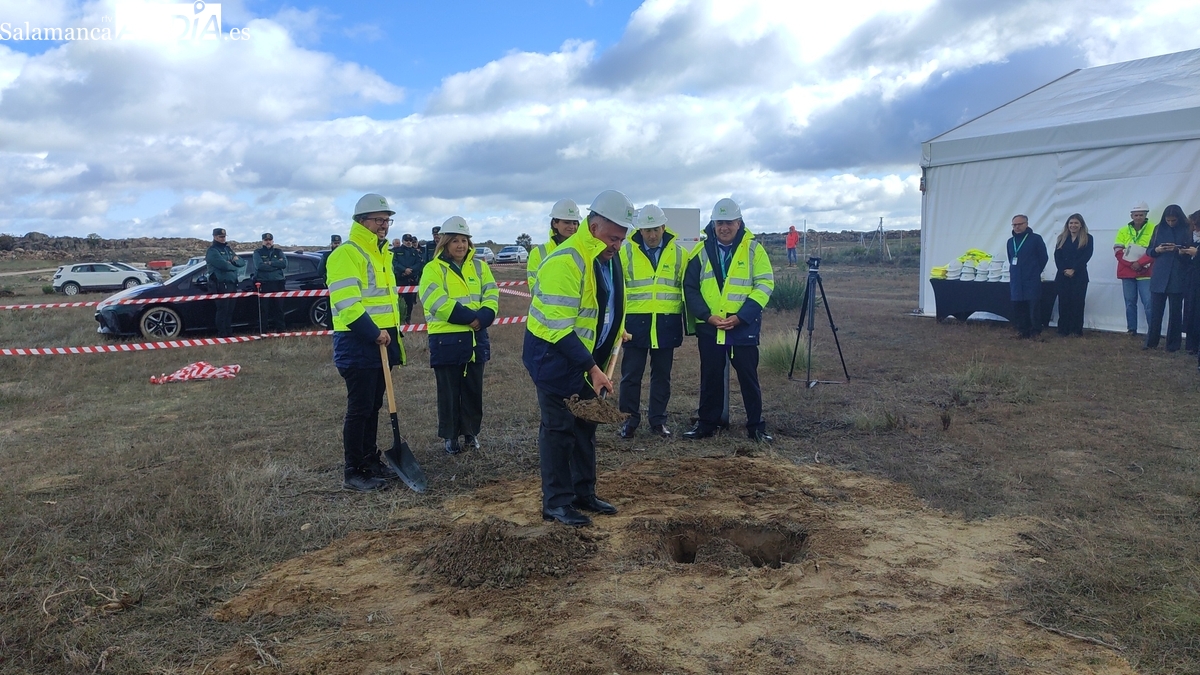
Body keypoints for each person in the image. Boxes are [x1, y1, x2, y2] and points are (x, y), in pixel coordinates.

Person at [523, 189, 632, 527]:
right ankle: (556, 503)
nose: (618, 245)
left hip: (587, 358)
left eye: (622, 239)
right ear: (594, 227)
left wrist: (617, 333)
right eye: (614, 238)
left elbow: (607, 304)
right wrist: (593, 369)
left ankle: (583, 493)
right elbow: (558, 328)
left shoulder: (608, 256)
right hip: (554, 357)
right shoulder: (565, 261)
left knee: (585, 425)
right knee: (559, 429)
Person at [326, 193, 406, 492]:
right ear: (361, 221)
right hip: (358, 341)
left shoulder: (381, 253)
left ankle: (371, 460)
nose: (384, 225)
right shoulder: (347, 254)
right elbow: (347, 304)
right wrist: (373, 333)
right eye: (378, 220)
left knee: (373, 406)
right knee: (359, 408)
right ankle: (354, 470)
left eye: (387, 220)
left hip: (381, 341)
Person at [683, 198, 775, 442]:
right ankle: (707, 424)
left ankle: (756, 427)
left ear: (739, 223)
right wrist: (707, 316)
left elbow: (765, 284)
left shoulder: (754, 250)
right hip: (710, 327)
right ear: (713, 224)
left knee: (748, 378)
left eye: (729, 222)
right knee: (710, 377)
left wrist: (741, 317)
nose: (724, 227)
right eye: (719, 223)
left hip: (742, 327)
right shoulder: (700, 251)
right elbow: (690, 288)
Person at [421, 217, 499, 454]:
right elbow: (435, 301)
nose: (460, 245)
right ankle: (450, 436)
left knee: (473, 390)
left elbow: (491, 294)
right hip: (446, 340)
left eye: (464, 240)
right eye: (455, 240)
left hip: (475, 338)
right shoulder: (433, 269)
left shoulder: (480, 267)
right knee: (449, 392)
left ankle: (470, 433)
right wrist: (469, 318)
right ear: (445, 242)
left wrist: (484, 316)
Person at [617, 205, 688, 439]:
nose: (652, 235)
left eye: (656, 229)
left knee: (662, 376)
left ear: (664, 227)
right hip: (634, 325)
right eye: (647, 230)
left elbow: (687, 288)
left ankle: (658, 421)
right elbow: (617, 291)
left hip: (666, 325)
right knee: (631, 376)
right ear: (640, 230)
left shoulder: (680, 254)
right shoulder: (625, 253)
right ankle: (628, 421)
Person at [1145, 204, 1193, 352]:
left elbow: (1191, 253)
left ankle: (1173, 344)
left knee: (1175, 312)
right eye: (1168, 220)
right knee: (1155, 312)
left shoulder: (1187, 229)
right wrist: (1157, 250)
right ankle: (1151, 342)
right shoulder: (1158, 228)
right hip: (1160, 275)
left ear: (1179, 218)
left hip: (1178, 275)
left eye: (1173, 220)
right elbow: (1149, 250)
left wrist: (1178, 250)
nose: (1171, 223)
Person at [1114, 202, 1155, 335]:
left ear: (1146, 215)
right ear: (1131, 216)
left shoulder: (1154, 229)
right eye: (1136, 215)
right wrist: (1132, 264)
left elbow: (1154, 251)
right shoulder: (1123, 230)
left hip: (1146, 271)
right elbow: (1118, 251)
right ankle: (1132, 329)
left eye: (1141, 215)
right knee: (1130, 302)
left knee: (1148, 303)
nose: (1138, 217)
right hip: (1127, 271)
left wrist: (1140, 263)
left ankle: (1153, 331)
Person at [1006, 214, 1048, 339]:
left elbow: (1043, 257)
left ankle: (1035, 331)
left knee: (1033, 305)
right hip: (1016, 279)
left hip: (1031, 278)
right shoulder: (1010, 241)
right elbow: (1010, 258)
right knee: (1018, 305)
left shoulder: (1035, 239)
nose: (1017, 227)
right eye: (1014, 225)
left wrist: (1035, 271)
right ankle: (1022, 330)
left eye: (1020, 224)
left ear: (1026, 224)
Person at [1052, 214, 1093, 337]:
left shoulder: (1088, 238)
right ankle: (1063, 329)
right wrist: (1064, 270)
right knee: (1063, 302)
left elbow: (1086, 255)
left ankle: (1076, 330)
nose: (1073, 225)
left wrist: (1074, 269)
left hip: (1079, 275)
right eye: (1071, 223)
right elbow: (1057, 256)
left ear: (1081, 225)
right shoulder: (1061, 238)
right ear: (1067, 225)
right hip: (1063, 275)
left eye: (1076, 223)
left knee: (1077, 303)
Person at [527, 199, 582, 289]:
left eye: (575, 223)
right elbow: (533, 285)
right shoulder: (538, 253)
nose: (572, 227)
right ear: (555, 223)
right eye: (567, 222)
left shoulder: (582, 250)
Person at [205, 227, 245, 338]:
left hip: (232, 284)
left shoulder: (228, 249)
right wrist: (233, 264)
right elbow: (223, 265)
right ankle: (222, 333)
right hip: (221, 284)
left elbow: (241, 262)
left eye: (224, 236)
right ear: (215, 237)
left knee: (230, 310)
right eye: (220, 237)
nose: (223, 238)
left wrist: (231, 262)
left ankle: (228, 332)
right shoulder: (212, 251)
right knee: (223, 310)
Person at [253, 232, 288, 332]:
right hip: (264, 284)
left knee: (279, 308)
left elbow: (284, 264)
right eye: (266, 240)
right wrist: (276, 266)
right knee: (264, 309)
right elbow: (259, 266)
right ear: (262, 241)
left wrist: (269, 263)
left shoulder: (278, 251)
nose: (268, 242)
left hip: (278, 283)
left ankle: (281, 330)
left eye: (269, 240)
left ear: (272, 241)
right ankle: (263, 331)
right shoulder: (258, 252)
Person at [394, 234, 425, 324]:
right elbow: (395, 263)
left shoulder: (415, 252)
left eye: (410, 240)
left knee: (410, 302)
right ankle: (399, 319)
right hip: (400, 279)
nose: (408, 242)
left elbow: (419, 264)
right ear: (403, 241)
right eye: (406, 240)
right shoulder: (396, 251)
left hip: (411, 280)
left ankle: (408, 319)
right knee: (399, 301)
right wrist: (404, 270)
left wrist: (410, 270)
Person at [1183, 210, 1200, 355]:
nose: (1194, 229)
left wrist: (1197, 254)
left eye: (1196, 225)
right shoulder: (1191, 237)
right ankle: (1192, 344)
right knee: (1191, 310)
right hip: (1192, 280)